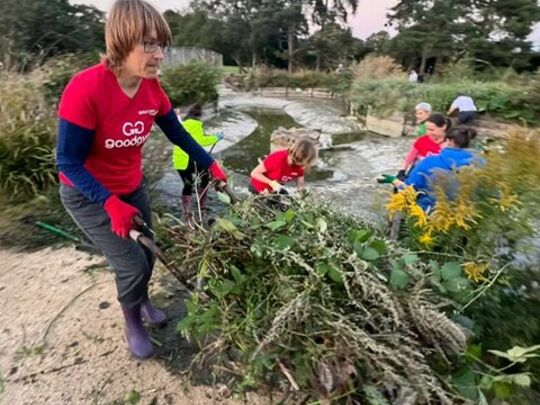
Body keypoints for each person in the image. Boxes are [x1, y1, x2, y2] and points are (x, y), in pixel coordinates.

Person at [55, 0, 228, 360]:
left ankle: (144, 301)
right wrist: (108, 202)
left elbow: (178, 134)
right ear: (121, 41)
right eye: (148, 44)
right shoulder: (86, 89)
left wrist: (209, 164)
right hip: (88, 194)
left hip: (131, 187)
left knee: (148, 255)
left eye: (161, 45)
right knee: (131, 263)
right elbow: (67, 161)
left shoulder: (152, 90)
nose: (159, 54)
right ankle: (132, 320)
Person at [382, 127, 478, 211]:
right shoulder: (480, 163)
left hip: (429, 215)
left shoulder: (429, 162)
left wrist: (394, 180)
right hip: (466, 216)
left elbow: (410, 189)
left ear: (449, 141)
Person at [173, 103, 224, 227]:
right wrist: (215, 138)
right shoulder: (196, 124)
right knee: (205, 177)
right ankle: (202, 205)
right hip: (189, 159)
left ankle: (187, 211)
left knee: (187, 184)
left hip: (179, 160)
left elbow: (194, 138)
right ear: (199, 115)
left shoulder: (183, 123)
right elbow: (200, 140)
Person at [250, 138, 317, 195]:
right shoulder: (277, 158)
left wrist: (301, 191)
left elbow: (300, 182)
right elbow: (254, 173)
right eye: (293, 159)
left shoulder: (301, 166)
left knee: (289, 205)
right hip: (259, 187)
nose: (291, 163)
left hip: (276, 189)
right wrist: (271, 183)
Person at [394, 113, 451, 180]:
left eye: (432, 130)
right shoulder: (422, 141)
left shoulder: (450, 145)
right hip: (416, 174)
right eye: (427, 129)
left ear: (443, 127)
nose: (428, 133)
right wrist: (402, 171)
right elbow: (409, 158)